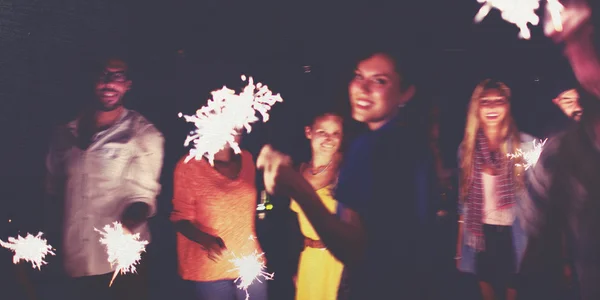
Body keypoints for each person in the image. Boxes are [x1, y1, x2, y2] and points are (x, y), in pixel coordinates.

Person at [257, 48, 441, 299]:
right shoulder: (405, 143)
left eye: (379, 80)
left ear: (405, 92)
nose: (362, 89)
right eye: (358, 76)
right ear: (308, 132)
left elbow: (354, 248)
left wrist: (297, 188)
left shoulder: (373, 150)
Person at [44, 57, 164, 300]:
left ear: (127, 84)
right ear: (92, 80)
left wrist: (131, 220)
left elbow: (145, 195)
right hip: (74, 260)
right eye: (103, 75)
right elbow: (53, 188)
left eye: (117, 76)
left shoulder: (142, 133)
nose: (109, 83)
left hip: (118, 263)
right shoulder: (66, 132)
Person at [521, 1, 600, 299]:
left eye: (587, 32)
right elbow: (539, 266)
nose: (580, 55)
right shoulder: (558, 158)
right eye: (570, 41)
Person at [455, 79, 534, 300]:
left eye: (498, 101)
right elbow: (463, 204)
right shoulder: (466, 149)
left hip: (515, 234)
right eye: (485, 102)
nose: (491, 107)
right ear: (476, 108)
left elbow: (541, 201)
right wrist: (459, 250)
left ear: (508, 106)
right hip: (480, 236)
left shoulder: (526, 145)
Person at [170, 131, 267, 300]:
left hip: (249, 263)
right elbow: (180, 218)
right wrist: (205, 240)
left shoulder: (247, 159)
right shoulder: (190, 165)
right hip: (210, 268)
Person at [290, 111, 345, 300]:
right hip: (310, 260)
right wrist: (295, 268)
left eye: (336, 133)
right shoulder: (298, 172)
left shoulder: (347, 170)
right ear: (309, 132)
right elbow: (291, 226)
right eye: (323, 132)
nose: (329, 139)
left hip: (340, 261)